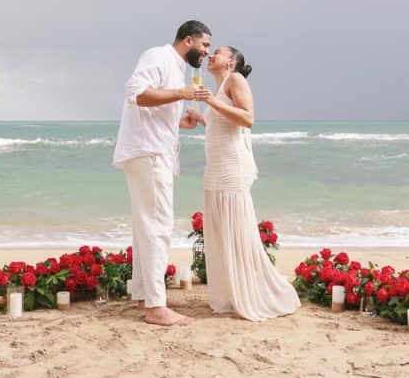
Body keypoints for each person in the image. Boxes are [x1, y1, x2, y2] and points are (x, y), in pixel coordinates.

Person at [113, 20, 212, 326]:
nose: (207, 52)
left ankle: (145, 295)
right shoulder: (158, 55)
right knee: (158, 226)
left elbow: (152, 106)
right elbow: (137, 94)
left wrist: (176, 123)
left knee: (147, 226)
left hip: (150, 150)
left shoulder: (177, 67)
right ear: (187, 40)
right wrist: (182, 93)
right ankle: (156, 307)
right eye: (204, 45)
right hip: (149, 153)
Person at [192, 46, 300, 321]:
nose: (210, 55)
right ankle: (230, 294)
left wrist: (213, 104)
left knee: (235, 230)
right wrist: (202, 118)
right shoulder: (218, 90)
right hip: (215, 168)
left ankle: (252, 293)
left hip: (232, 169)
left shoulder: (236, 80)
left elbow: (248, 119)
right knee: (220, 233)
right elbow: (223, 129)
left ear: (232, 61)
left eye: (217, 52)